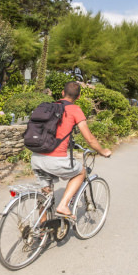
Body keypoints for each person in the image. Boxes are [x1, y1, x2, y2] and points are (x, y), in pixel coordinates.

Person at [30, 81, 112, 219]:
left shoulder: (49, 107)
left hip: (36, 157)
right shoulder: (75, 110)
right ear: (78, 97)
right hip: (54, 160)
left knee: (46, 195)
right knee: (81, 172)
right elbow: (89, 139)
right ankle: (63, 205)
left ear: (62, 93)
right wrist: (102, 151)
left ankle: (41, 230)